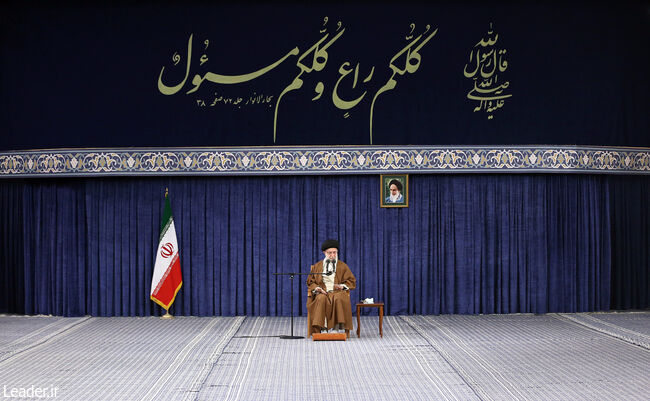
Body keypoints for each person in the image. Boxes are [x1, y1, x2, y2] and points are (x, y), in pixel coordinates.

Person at [306, 239, 356, 335]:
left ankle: (335, 327)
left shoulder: (342, 266)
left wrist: (341, 286)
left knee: (337, 298)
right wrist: (317, 288)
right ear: (324, 253)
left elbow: (351, 281)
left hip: (337, 291)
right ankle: (323, 327)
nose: (332, 255)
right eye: (330, 253)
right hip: (322, 291)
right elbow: (310, 282)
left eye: (334, 252)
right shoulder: (317, 266)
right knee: (321, 298)